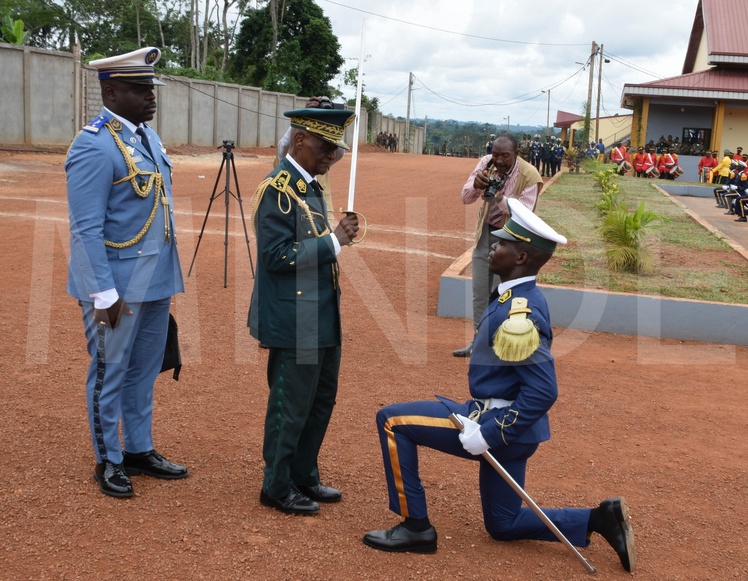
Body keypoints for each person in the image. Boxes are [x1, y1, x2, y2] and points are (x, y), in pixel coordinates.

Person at [362, 199, 636, 573]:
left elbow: (543, 391)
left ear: (520, 257)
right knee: (502, 525)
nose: (493, 244)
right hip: (511, 428)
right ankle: (598, 519)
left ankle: (416, 527)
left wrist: (489, 434)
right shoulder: (513, 296)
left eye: (502, 242)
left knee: (392, 421)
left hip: (501, 427)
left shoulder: (518, 312)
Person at [66, 47, 187, 498]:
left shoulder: (148, 139)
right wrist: (102, 294)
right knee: (108, 370)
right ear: (110, 91)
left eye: (151, 88)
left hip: (155, 282)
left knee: (144, 369)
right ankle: (108, 458)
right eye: (139, 90)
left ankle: (138, 448)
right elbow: (84, 229)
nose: (149, 97)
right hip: (113, 287)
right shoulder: (93, 145)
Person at [248, 107, 360, 515]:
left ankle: (303, 474)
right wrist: (333, 242)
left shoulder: (309, 185)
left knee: (320, 399)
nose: (333, 157)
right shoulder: (278, 188)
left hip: (321, 312)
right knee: (290, 402)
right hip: (296, 317)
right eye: (326, 147)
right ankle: (276, 485)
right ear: (299, 142)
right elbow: (276, 255)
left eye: (337, 150)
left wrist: (334, 239)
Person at [453, 133, 542, 358]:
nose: (499, 160)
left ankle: (508, 344)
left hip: (515, 241)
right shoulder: (485, 163)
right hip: (487, 232)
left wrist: (498, 197)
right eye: (496, 154)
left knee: (509, 291)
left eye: (506, 156)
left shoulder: (530, 175)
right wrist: (476, 184)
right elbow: (465, 198)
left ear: (517, 154)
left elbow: (523, 213)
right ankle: (479, 342)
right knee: (480, 290)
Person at [276, 96, 343, 223]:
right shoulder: (296, 143)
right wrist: (303, 119)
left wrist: (331, 121)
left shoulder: (325, 159)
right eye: (321, 147)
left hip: (318, 196)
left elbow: (339, 152)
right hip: (293, 195)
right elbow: (283, 149)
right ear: (299, 140)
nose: (330, 155)